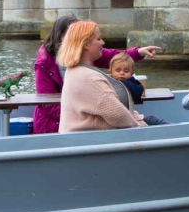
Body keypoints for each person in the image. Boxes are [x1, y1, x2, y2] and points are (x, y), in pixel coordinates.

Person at [31, 14, 160, 134]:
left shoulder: (78, 64)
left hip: (74, 122)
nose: (102, 42)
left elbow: (114, 57)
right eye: (98, 38)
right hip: (55, 123)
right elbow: (47, 102)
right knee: (154, 123)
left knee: (152, 120)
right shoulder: (48, 65)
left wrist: (138, 52)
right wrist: (80, 115)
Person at [58, 20, 147, 133]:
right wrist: (142, 127)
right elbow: (118, 115)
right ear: (86, 44)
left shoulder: (74, 70)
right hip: (93, 142)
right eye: (99, 39)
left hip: (80, 139)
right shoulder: (88, 77)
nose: (103, 42)